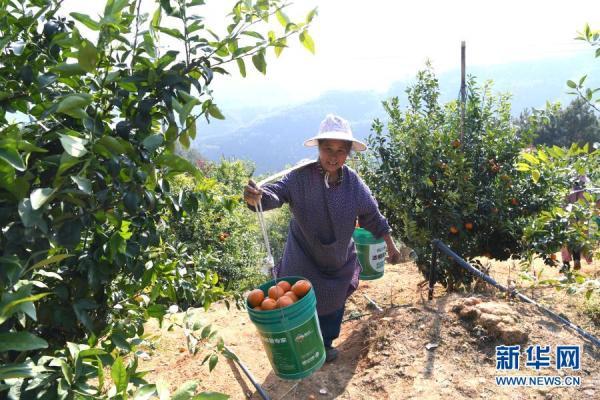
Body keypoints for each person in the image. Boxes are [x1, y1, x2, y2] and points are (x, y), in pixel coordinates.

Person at [243, 114, 402, 362]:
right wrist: (257, 198)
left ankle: (325, 344)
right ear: (319, 148)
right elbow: (276, 193)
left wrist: (390, 246)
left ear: (348, 153)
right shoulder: (300, 177)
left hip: (338, 258)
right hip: (303, 255)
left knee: (333, 302)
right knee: (298, 301)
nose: (333, 156)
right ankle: (302, 346)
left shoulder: (353, 184)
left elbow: (372, 215)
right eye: (328, 148)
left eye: (341, 150)